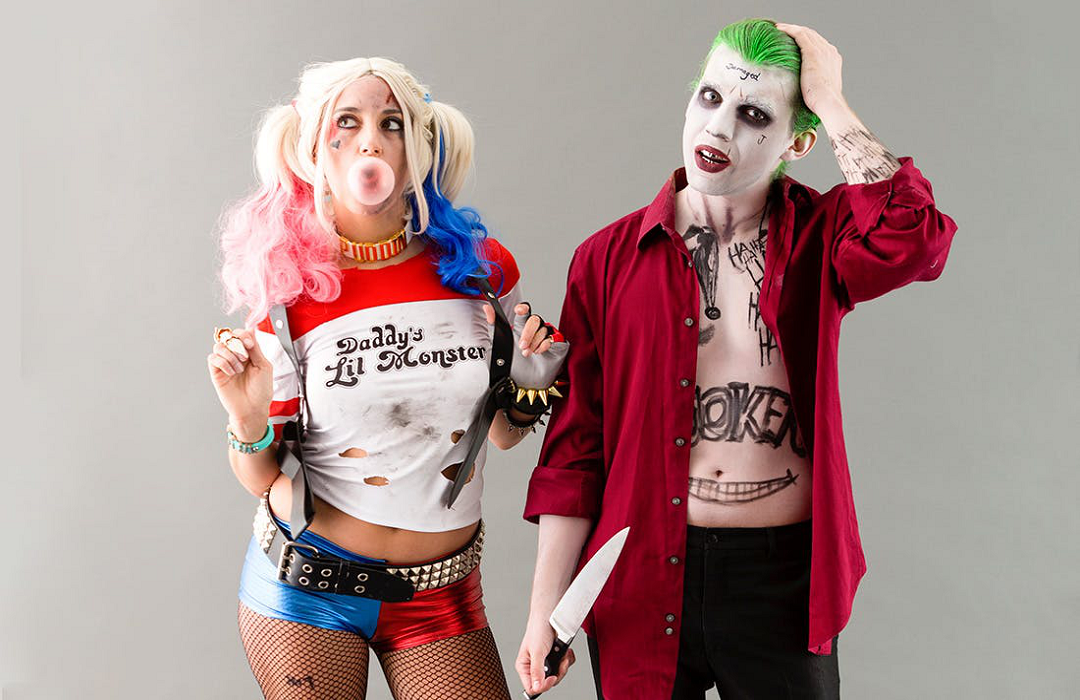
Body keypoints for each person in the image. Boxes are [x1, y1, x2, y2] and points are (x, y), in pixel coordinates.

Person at [516, 18, 957, 699]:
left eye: (755, 115)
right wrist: (545, 611)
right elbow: (575, 447)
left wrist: (829, 99)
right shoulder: (605, 259)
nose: (718, 129)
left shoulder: (823, 236)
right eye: (710, 97)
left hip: (782, 581)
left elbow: (915, 237)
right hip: (638, 573)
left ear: (798, 142)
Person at [207, 57, 566, 700]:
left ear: (419, 147)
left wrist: (531, 381)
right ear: (315, 146)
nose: (370, 141)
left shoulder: (479, 272)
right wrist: (247, 416)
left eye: (391, 123)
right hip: (307, 590)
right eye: (347, 122)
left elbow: (503, 435)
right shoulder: (288, 294)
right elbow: (263, 478)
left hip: (441, 594)